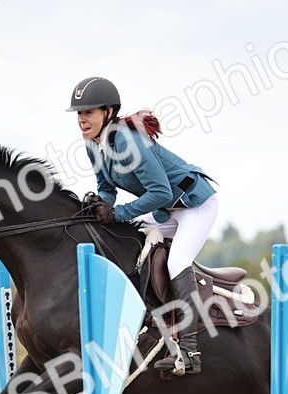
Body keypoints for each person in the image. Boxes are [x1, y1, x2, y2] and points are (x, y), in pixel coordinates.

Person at [68, 76, 218, 375]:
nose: (82, 119)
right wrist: (99, 203)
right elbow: (107, 187)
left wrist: (118, 213)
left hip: (194, 206)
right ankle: (157, 330)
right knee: (122, 242)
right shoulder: (92, 145)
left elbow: (161, 191)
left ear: (108, 112)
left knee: (177, 262)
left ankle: (190, 351)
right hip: (164, 212)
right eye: (79, 114)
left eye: (89, 112)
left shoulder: (129, 141)